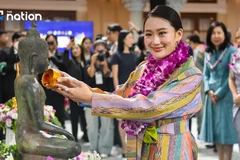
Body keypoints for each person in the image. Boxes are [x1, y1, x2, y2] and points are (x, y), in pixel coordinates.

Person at [53, 5, 202, 160]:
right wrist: (82, 89)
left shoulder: (190, 76)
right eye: (148, 34)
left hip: (173, 151)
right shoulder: (144, 68)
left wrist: (91, 98)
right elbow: (120, 96)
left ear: (178, 34)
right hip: (139, 148)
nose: (155, 41)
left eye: (162, 33)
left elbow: (150, 107)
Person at [15, 22, 81, 159]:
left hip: (26, 135)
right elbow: (39, 123)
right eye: (44, 57)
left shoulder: (21, 79)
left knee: (67, 143)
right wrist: (65, 132)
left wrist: (59, 129)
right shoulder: (29, 83)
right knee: (74, 147)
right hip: (29, 138)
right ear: (34, 58)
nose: (46, 61)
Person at [199, 21, 238, 160]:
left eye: (219, 33)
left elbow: (231, 77)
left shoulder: (232, 51)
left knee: (227, 131)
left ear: (224, 34)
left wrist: (219, 93)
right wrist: (209, 91)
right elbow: (205, 74)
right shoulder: (208, 52)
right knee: (216, 131)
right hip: (211, 97)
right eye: (213, 33)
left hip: (226, 96)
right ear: (209, 35)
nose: (216, 36)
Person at [85, 40, 114, 158]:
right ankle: (93, 148)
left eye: (102, 50)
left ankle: (105, 149)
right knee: (92, 125)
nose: (100, 53)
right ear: (94, 51)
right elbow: (90, 74)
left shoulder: (109, 61)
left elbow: (108, 75)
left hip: (106, 96)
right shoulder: (89, 61)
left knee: (107, 126)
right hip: (91, 96)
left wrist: (105, 63)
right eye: (98, 51)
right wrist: (93, 62)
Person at [111, 29, 137, 157]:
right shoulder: (117, 55)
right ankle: (124, 148)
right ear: (124, 39)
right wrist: (118, 91)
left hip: (134, 91)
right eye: (130, 37)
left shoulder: (134, 55)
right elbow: (115, 76)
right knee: (121, 120)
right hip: (121, 91)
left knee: (133, 120)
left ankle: (132, 148)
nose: (132, 40)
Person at [63, 41, 88, 142]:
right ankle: (74, 137)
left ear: (81, 50)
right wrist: (66, 50)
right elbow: (64, 60)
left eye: (77, 48)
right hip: (74, 92)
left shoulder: (84, 62)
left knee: (84, 116)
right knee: (74, 116)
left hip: (85, 93)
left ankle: (86, 136)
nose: (75, 50)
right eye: (73, 49)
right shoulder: (70, 62)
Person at [187, 34, 206, 134]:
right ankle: (200, 131)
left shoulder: (199, 50)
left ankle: (201, 131)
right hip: (199, 80)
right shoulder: (201, 49)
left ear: (194, 43)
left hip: (201, 81)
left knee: (200, 106)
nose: (189, 45)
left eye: (190, 43)